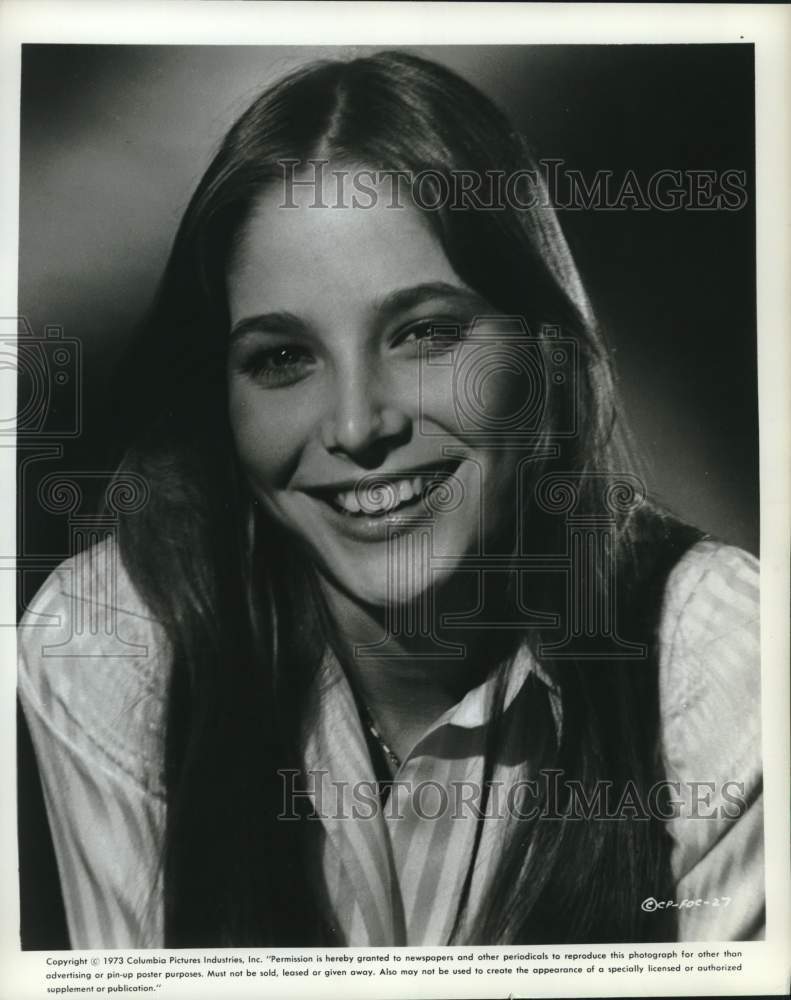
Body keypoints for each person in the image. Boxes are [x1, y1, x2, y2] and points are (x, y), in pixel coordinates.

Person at [17, 50, 762, 949]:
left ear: (543, 352)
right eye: (280, 357)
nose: (357, 425)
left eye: (425, 333)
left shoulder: (726, 662)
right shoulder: (113, 643)